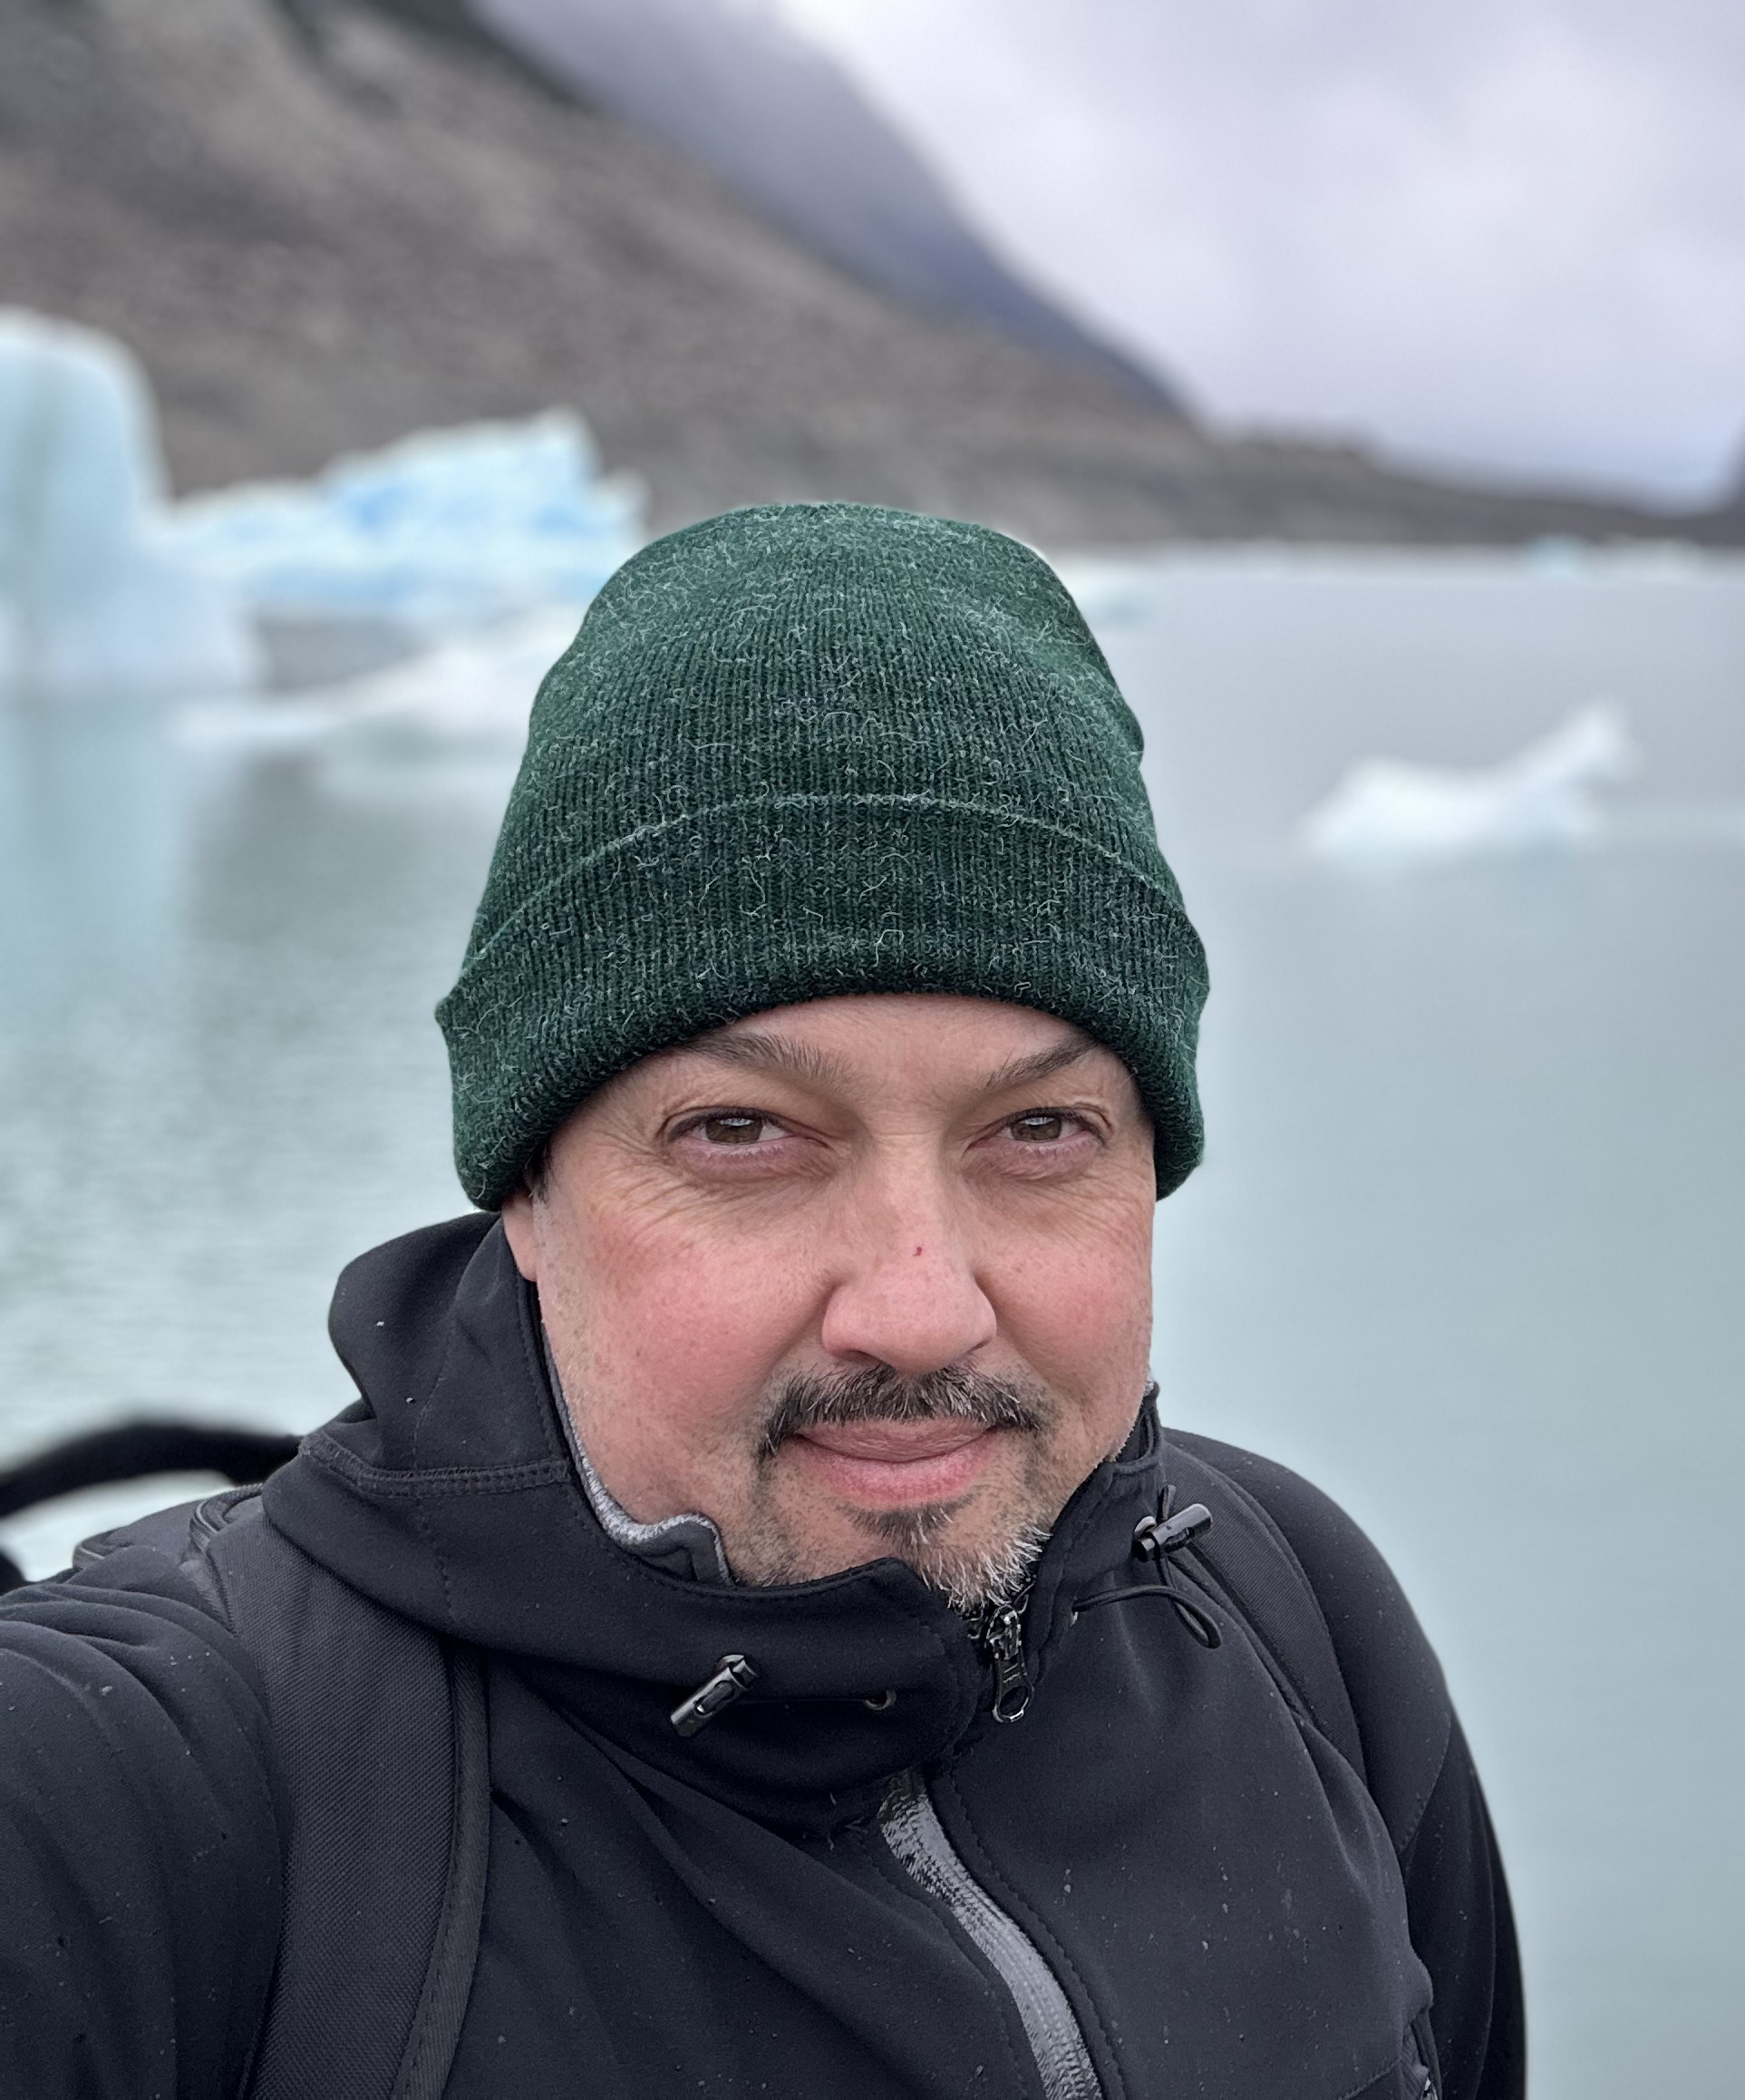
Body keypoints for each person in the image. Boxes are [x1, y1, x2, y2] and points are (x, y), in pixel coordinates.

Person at [0, 506, 1522, 2100]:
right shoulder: (138, 1793)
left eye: (1039, 1131)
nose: (919, 1310)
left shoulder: (1297, 1624)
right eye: (743, 1133)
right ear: (525, 1189)